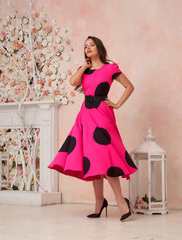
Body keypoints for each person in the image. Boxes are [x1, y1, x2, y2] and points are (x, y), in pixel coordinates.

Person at [47, 36, 138, 221]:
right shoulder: (85, 70)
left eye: (92, 45)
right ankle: (99, 202)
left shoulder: (110, 68)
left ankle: (121, 202)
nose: (88, 48)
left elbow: (129, 86)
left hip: (102, 114)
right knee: (92, 158)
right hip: (85, 116)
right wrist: (84, 66)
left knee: (106, 156)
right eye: (85, 46)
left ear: (99, 47)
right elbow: (73, 82)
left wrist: (117, 104)